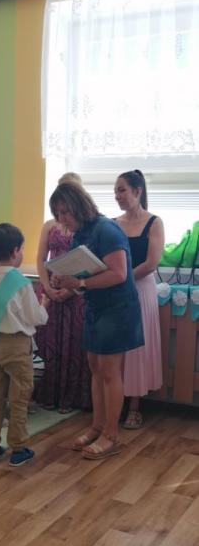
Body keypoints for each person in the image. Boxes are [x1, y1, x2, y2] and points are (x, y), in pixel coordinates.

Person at [51, 182, 144, 459]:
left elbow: (119, 274)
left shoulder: (107, 229)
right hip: (96, 306)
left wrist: (78, 282)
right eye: (57, 214)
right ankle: (98, 426)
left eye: (65, 212)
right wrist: (64, 280)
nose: (62, 219)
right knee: (95, 367)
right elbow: (84, 275)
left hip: (117, 308)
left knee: (109, 371)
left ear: (78, 205)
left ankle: (111, 435)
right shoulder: (80, 234)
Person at [0, 223, 48, 466]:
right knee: (19, 398)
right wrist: (45, 305)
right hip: (16, 346)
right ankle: (18, 449)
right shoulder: (20, 282)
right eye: (23, 249)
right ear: (15, 251)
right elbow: (35, 317)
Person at [35, 172, 91, 413]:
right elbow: (40, 259)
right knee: (48, 342)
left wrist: (70, 290)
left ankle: (71, 397)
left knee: (73, 344)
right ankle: (48, 395)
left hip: (76, 293)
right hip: (50, 290)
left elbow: (89, 263)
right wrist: (47, 288)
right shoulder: (49, 226)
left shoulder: (85, 227)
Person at [115, 170, 164, 428]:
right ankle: (115, 402)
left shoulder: (154, 222)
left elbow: (151, 263)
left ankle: (134, 406)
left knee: (136, 349)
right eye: (115, 191)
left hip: (141, 289)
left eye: (122, 190)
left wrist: (123, 279)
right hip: (115, 290)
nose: (117, 196)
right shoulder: (113, 223)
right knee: (116, 348)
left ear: (137, 191)